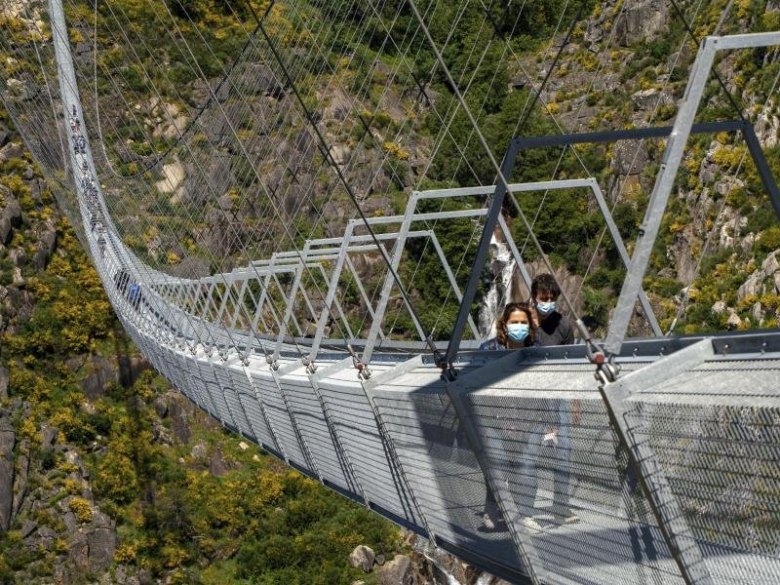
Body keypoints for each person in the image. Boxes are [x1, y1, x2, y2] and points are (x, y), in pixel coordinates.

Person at [479, 303, 537, 532]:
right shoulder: (488, 351)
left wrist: (552, 425)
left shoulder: (537, 350)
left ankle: (525, 515)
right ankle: (492, 509)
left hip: (529, 420)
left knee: (527, 467)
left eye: (523, 322)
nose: (519, 327)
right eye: (515, 322)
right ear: (504, 324)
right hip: (495, 419)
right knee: (498, 464)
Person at [531, 273, 574, 346]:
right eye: (544, 299)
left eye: (553, 299)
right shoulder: (522, 321)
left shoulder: (564, 325)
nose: (549, 302)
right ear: (533, 297)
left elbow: (569, 354)